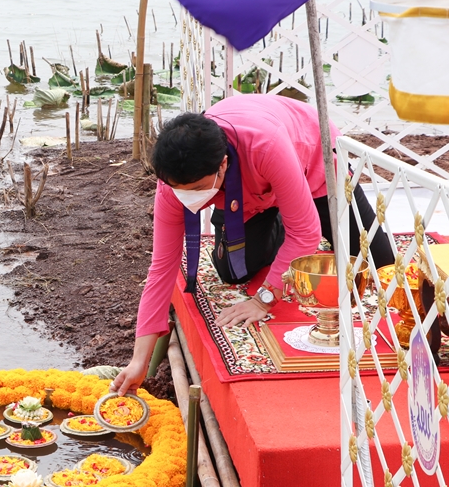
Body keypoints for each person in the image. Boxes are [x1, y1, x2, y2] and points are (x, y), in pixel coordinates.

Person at [111, 94, 392, 396]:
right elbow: (162, 266)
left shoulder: (266, 146)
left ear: (223, 164)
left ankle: (292, 207)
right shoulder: (174, 184)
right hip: (244, 195)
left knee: (380, 266)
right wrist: (138, 360)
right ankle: (284, 215)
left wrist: (263, 300)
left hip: (312, 164)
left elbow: (306, 233)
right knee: (234, 271)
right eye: (180, 190)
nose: (187, 198)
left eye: (196, 190)